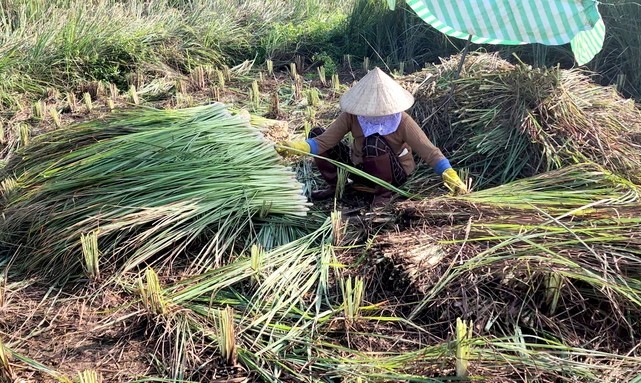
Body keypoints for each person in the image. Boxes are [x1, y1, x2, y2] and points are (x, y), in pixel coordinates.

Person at [276, 67, 468, 206]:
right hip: (360, 169)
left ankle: (383, 194)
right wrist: (298, 147)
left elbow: (429, 151)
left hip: (393, 174)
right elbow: (324, 141)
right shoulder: (352, 116)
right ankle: (337, 186)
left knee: (373, 142)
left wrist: (448, 173)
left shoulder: (401, 121)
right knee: (316, 131)